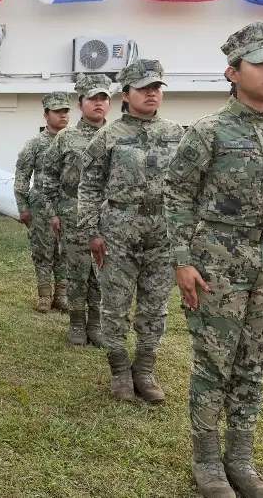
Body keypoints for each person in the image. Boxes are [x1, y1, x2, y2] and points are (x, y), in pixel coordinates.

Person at [165, 21, 263, 498]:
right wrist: (183, 260)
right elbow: (177, 196)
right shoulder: (207, 132)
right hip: (218, 262)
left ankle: (242, 461)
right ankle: (208, 463)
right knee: (214, 362)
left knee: (254, 363)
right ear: (232, 72)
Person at [78, 59, 184, 404]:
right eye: (144, 88)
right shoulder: (107, 136)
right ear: (127, 94)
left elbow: (186, 187)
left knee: (155, 306)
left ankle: (145, 370)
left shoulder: (177, 134)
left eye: (156, 88)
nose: (152, 94)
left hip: (162, 234)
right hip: (118, 233)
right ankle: (120, 372)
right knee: (115, 306)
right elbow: (90, 186)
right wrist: (93, 231)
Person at [42, 74, 114, 346]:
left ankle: (95, 324)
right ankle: (76, 322)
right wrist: (53, 212)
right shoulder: (65, 137)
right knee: (76, 270)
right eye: (92, 98)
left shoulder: (117, 135)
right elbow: (48, 175)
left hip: (108, 213)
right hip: (73, 211)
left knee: (102, 270)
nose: (98, 103)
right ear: (81, 102)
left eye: (103, 98)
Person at [14, 91, 71, 313]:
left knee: (65, 252)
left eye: (66, 111)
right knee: (43, 251)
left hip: (68, 205)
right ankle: (45, 296)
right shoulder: (35, 145)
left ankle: (62, 296)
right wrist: (23, 207)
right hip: (41, 207)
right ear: (46, 115)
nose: (63, 116)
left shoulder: (76, 142)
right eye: (57, 111)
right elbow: (21, 177)